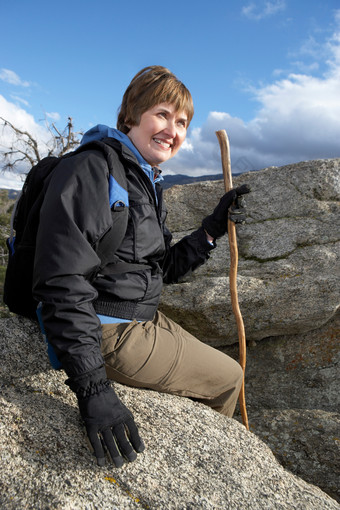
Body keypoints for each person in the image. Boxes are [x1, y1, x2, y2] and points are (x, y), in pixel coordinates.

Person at [33, 65, 251, 468]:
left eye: (182, 121)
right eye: (163, 115)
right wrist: (93, 388)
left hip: (136, 316)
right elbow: (61, 280)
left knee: (227, 370)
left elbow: (157, 268)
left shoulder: (141, 177)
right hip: (106, 330)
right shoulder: (93, 170)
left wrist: (211, 229)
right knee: (227, 378)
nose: (174, 129)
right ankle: (199, 469)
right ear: (131, 115)